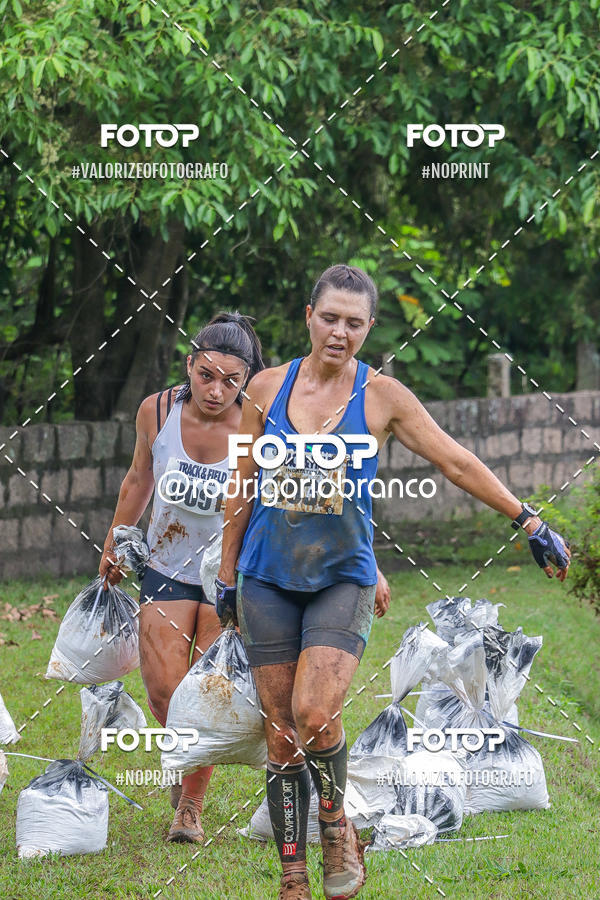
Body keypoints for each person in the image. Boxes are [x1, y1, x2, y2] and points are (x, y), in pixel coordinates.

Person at [216, 264, 571, 900]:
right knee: (280, 730)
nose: (340, 332)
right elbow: (241, 485)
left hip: (343, 578)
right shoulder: (266, 389)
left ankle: (336, 827)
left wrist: (526, 517)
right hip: (266, 576)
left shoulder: (382, 397)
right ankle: (293, 878)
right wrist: (224, 574)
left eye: (354, 323)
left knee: (314, 711)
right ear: (309, 317)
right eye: (330, 318)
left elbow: (455, 461)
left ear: (369, 328)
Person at [99, 311, 264, 843]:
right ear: (189, 365)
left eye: (232, 380)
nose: (217, 390)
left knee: (208, 691)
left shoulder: (257, 421)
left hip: (227, 570)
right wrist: (116, 537)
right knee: (166, 690)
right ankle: (184, 762)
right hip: (166, 562)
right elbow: (138, 477)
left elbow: (274, 495)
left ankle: (190, 808)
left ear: (247, 380)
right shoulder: (159, 410)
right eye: (207, 375)